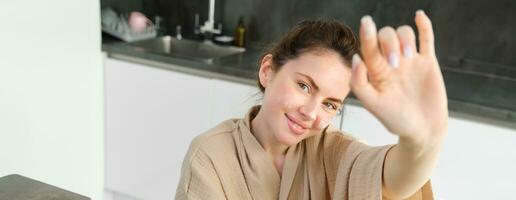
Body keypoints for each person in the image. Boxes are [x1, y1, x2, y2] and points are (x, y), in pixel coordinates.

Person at [176, 10, 447, 200]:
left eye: (330, 105)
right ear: (268, 70)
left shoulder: (332, 152)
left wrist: (422, 140)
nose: (310, 113)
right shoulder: (210, 155)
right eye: (304, 86)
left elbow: (394, 182)